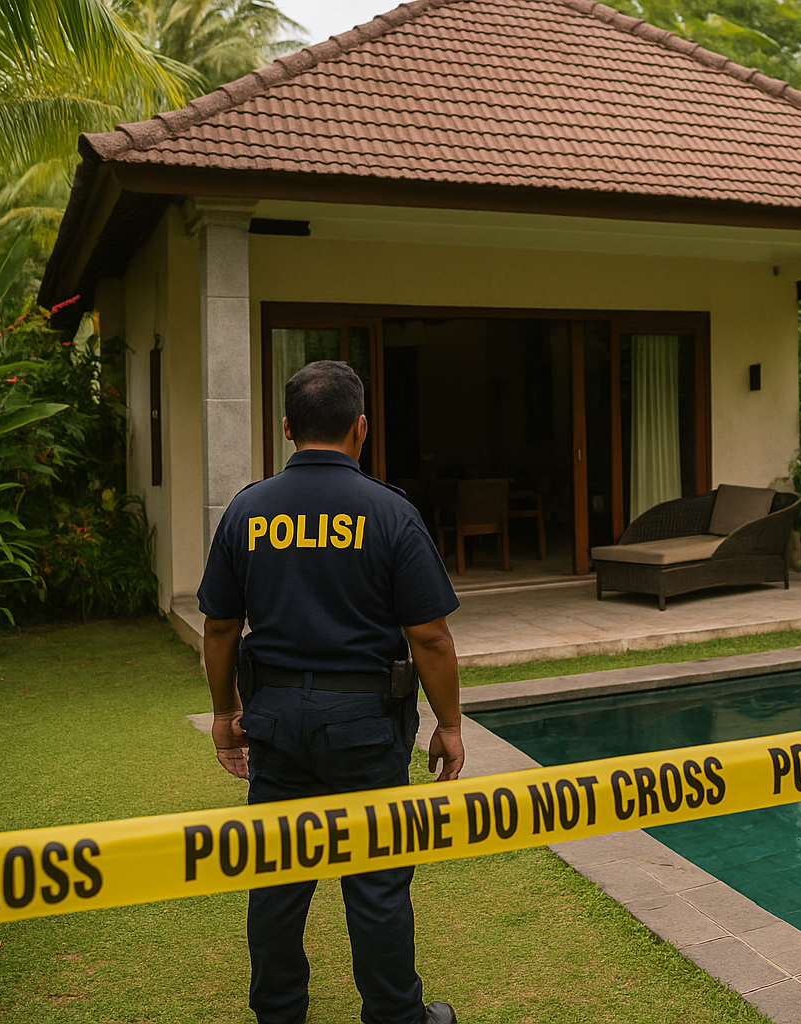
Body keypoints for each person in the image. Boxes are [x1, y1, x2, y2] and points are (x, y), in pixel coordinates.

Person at [197, 360, 463, 1024]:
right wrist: (450, 724)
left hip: (274, 720)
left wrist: (227, 712)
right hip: (366, 724)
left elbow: (221, 626)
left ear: (288, 427)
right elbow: (430, 638)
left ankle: (279, 1012)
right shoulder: (390, 511)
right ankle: (396, 1017)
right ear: (361, 428)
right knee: (376, 879)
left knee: (278, 877)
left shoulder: (248, 509)